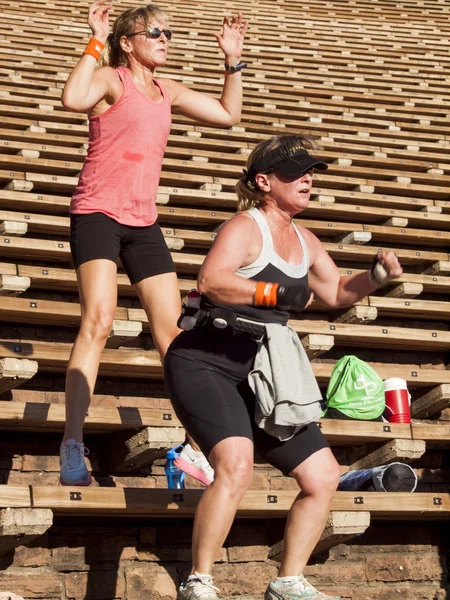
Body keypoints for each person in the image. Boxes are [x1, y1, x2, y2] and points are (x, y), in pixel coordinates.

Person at [164, 134, 403, 600]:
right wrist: (275, 293)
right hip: (206, 361)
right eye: (295, 172)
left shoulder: (305, 239)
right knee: (235, 464)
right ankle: (199, 581)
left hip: (263, 372)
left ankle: (288, 582)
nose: (307, 179)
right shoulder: (245, 227)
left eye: (311, 171)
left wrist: (374, 278)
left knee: (323, 476)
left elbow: (334, 292)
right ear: (264, 181)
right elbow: (211, 280)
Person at [59, 0, 248, 486]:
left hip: (143, 222)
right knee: (98, 321)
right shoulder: (110, 78)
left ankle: (190, 449)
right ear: (129, 42)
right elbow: (72, 98)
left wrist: (231, 59)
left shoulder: (168, 90)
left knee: (175, 339)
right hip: (98, 212)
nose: (165, 39)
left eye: (169, 33)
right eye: (155, 33)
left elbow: (229, 115)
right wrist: (95, 40)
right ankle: (72, 443)